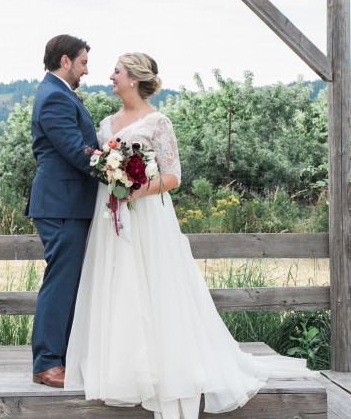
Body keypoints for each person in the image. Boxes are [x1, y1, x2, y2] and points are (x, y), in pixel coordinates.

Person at [64, 53, 309, 419]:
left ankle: (165, 366)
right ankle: (120, 368)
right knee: (116, 284)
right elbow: (101, 165)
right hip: (111, 217)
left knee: (155, 286)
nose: (110, 75)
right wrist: (113, 178)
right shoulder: (106, 123)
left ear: (133, 78)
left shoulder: (157, 122)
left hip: (147, 217)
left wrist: (136, 188)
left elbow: (173, 176)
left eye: (116, 71)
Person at [27, 34, 100, 388]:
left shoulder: (59, 93)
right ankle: (46, 362)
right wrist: (119, 166)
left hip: (70, 204)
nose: (87, 70)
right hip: (61, 205)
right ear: (65, 60)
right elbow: (75, 151)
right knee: (60, 282)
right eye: (83, 62)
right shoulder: (55, 96)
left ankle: (63, 357)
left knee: (69, 282)